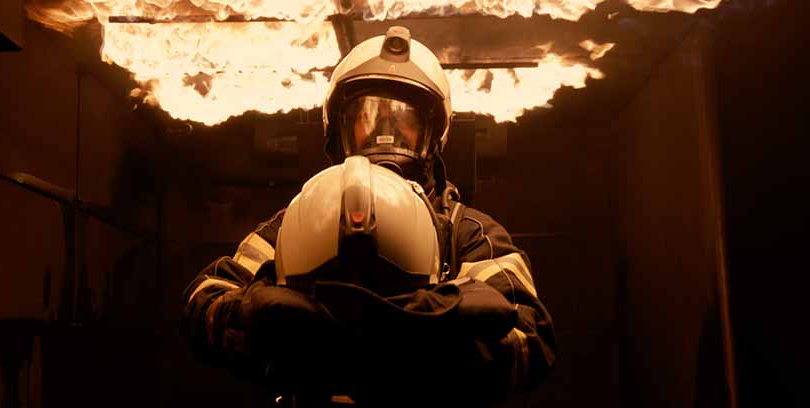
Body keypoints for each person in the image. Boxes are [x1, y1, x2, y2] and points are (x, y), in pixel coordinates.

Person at [181, 26, 557, 407]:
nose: (386, 131)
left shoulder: (467, 232)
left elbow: (530, 339)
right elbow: (204, 299)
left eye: (405, 118)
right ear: (339, 130)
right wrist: (249, 316)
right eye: (368, 115)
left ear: (432, 135)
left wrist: (433, 337)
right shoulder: (298, 221)